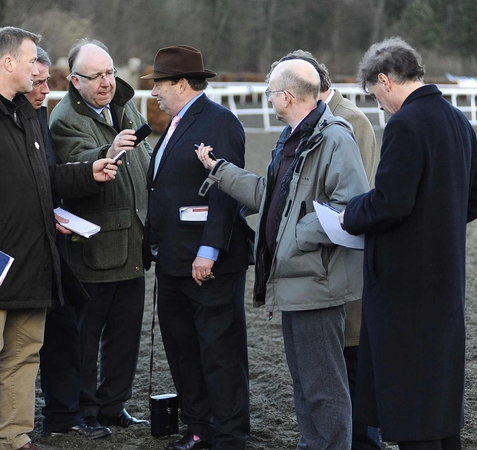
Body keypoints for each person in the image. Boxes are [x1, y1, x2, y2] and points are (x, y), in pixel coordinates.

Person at [0, 27, 118, 450]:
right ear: (9, 62)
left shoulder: (26, 113)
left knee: (24, 354)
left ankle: (15, 435)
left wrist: (88, 172)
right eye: (32, 57)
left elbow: (44, 178)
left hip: (34, 262)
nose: (40, 68)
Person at [197, 58, 370, 450]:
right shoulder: (293, 137)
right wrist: (220, 170)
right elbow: (271, 196)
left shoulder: (334, 138)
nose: (269, 98)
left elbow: (351, 207)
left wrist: (295, 237)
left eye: (271, 92)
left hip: (317, 283)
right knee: (306, 382)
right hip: (296, 281)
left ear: (287, 96)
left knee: (323, 386)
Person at [340, 37, 477, 450]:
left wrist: (350, 212)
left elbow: (389, 202)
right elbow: (472, 197)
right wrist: (439, 221)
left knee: (409, 396)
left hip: (405, 285)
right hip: (446, 276)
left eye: (375, 96)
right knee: (438, 393)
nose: (378, 105)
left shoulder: (405, 123)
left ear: (385, 81)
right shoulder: (459, 120)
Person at [142, 45, 253, 450]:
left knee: (219, 353)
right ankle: (198, 430)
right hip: (172, 261)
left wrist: (209, 250)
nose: (154, 90)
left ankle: (228, 436)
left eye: (159, 83)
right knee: (184, 351)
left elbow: (226, 193)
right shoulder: (173, 124)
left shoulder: (220, 123)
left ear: (182, 83)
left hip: (208, 264)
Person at [279, 49, 381, 450]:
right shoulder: (305, 123)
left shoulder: (349, 122)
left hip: (336, 266)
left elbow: (356, 199)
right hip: (318, 267)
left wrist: (300, 231)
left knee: (346, 370)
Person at [48, 38, 151, 430]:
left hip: (134, 243)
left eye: (110, 72)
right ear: (75, 81)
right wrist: (107, 152)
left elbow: (144, 160)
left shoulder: (124, 104)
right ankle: (86, 410)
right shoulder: (64, 120)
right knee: (85, 337)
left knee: (125, 336)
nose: (107, 82)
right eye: (96, 76)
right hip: (92, 250)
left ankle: (113, 405)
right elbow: (76, 167)